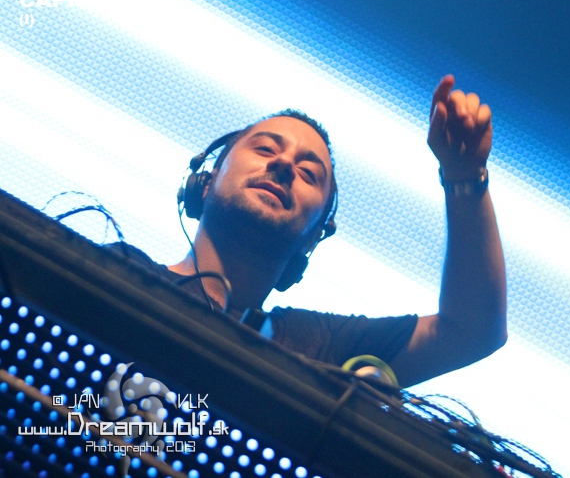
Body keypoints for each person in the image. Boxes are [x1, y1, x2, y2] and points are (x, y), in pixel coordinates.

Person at [128, 75, 506, 387]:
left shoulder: (320, 345)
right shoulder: (121, 268)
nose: (284, 164)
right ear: (204, 184)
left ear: (313, 236)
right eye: (265, 149)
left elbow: (471, 331)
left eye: (309, 173)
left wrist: (464, 175)